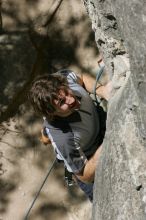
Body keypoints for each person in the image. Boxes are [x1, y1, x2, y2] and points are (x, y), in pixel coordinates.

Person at [28, 68, 111, 202]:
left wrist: (103, 91)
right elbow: (84, 176)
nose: (71, 100)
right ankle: (46, 135)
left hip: (96, 122)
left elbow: (82, 78)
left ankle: (45, 133)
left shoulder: (62, 79)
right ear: (51, 114)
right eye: (61, 103)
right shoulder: (64, 138)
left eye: (66, 92)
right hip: (88, 157)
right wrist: (107, 144)